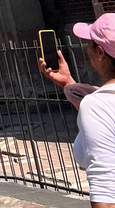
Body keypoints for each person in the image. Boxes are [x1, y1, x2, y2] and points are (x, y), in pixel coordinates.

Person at [40, 14, 115, 208]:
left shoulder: (98, 105)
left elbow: (105, 198)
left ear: (100, 52)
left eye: (89, 43)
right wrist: (68, 83)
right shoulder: (99, 102)